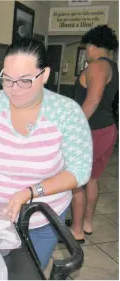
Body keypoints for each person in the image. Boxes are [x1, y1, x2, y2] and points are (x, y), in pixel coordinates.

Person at [0, 38, 93, 270]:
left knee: (25, 272)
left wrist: (30, 192)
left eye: (24, 81)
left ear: (45, 74)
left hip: (40, 221)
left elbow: (79, 171)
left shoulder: (67, 113)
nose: (14, 89)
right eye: (7, 80)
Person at [68, 25, 119, 242]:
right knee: (92, 180)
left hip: (91, 132)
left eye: (87, 47)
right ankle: (86, 224)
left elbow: (92, 101)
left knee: (76, 181)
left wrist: (72, 129)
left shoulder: (98, 67)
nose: (87, 52)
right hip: (105, 130)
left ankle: (76, 230)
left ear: (94, 45)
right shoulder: (112, 67)